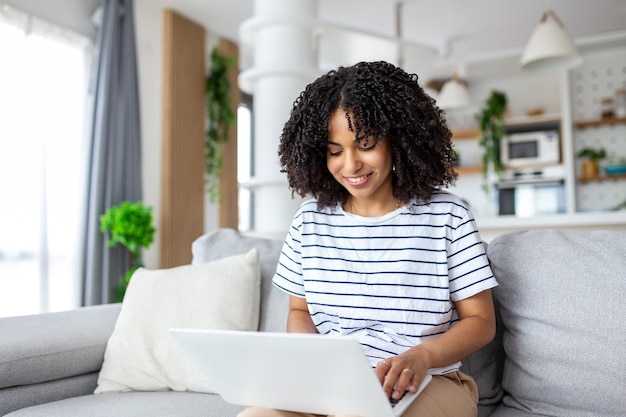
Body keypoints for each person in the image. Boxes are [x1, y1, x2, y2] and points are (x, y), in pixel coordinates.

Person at [239, 61, 497, 417]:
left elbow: (481, 321)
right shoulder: (309, 221)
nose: (350, 164)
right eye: (334, 151)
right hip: (333, 384)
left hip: (429, 380)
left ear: (399, 138)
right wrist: (310, 362)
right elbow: (300, 310)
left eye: (365, 144)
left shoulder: (447, 217)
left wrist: (422, 355)